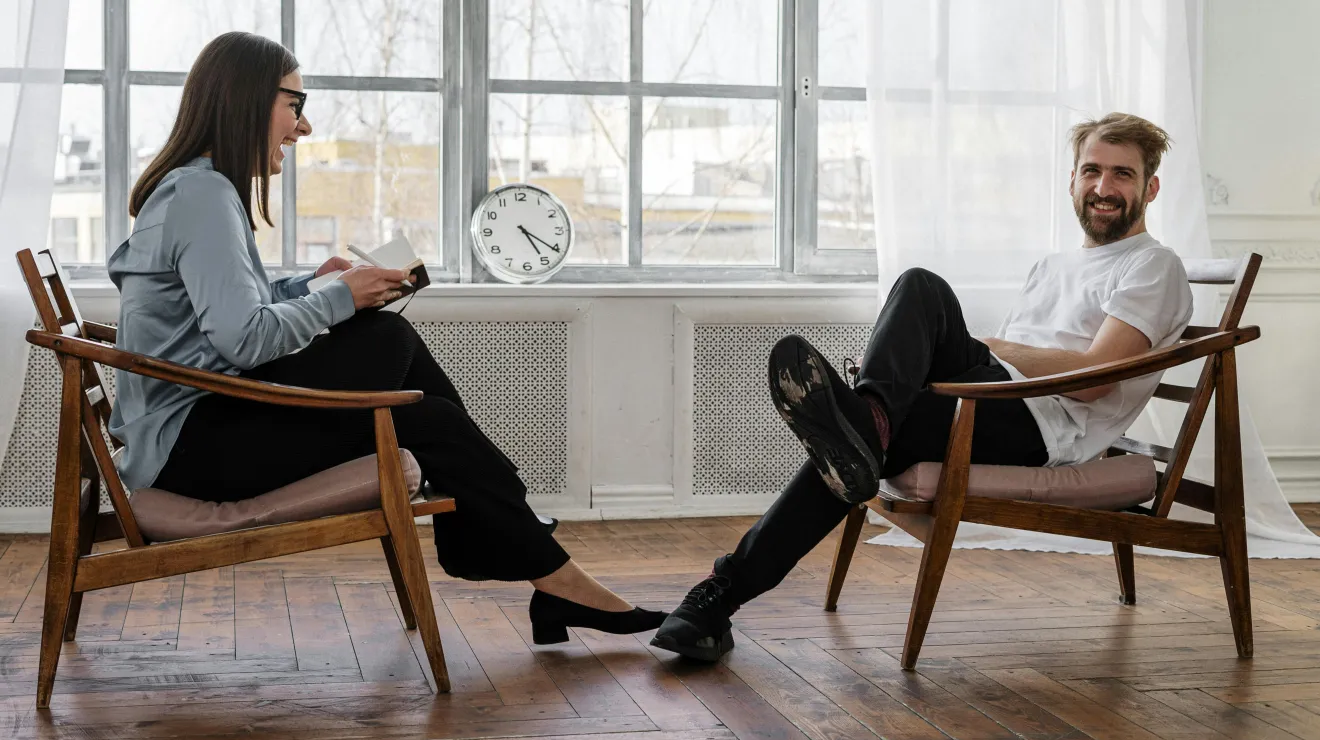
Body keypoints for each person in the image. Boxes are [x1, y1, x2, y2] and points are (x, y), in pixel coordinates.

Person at [107, 31, 666, 643]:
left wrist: (307, 286)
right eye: (295, 103)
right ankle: (528, 544)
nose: (304, 126)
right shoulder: (203, 194)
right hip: (193, 450)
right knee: (385, 342)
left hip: (199, 426)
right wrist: (341, 298)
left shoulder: (196, 189)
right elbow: (242, 340)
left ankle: (551, 577)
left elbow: (218, 312)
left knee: (427, 416)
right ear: (248, 99)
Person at [650, 112, 1194, 661]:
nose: (1103, 187)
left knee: (913, 320)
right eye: (1092, 171)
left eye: (1122, 174)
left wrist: (994, 348)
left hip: (1040, 426)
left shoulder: (1153, 265)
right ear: (1072, 180)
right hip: (991, 397)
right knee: (915, 293)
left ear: (1150, 187)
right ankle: (866, 426)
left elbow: (1093, 382)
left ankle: (721, 592)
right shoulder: (1052, 265)